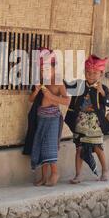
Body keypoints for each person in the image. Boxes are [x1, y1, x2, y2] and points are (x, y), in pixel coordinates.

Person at [26, 48, 70, 187]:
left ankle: (55, 173)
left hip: (53, 119)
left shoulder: (58, 83)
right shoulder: (41, 83)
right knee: (42, 146)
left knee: (50, 146)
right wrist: (37, 90)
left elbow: (67, 101)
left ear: (54, 68)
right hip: (41, 117)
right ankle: (44, 177)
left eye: (47, 69)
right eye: (42, 70)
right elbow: (31, 99)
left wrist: (51, 97)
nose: (44, 72)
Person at [66, 55, 109, 184]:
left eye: (94, 73)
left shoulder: (103, 88)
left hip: (95, 123)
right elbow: (66, 88)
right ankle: (78, 175)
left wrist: (102, 93)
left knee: (97, 147)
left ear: (101, 74)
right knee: (79, 148)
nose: (91, 75)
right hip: (80, 121)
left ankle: (105, 170)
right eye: (88, 72)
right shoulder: (80, 85)